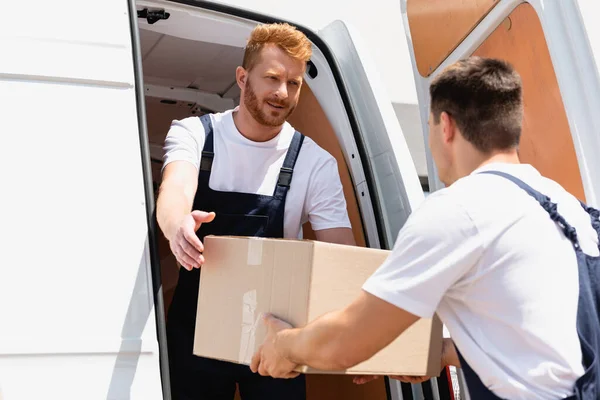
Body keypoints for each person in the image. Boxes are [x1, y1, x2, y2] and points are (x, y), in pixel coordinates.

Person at [249, 56, 600, 399]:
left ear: (445, 126)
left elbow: (346, 343)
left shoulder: (460, 209)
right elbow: (536, 334)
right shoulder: (568, 208)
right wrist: (442, 352)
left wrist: (285, 346)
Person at [156, 22, 355, 400]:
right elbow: (175, 190)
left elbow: (340, 253)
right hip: (194, 333)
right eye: (273, 78)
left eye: (294, 83)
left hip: (277, 339)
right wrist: (177, 226)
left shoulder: (315, 162)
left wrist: (357, 342)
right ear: (243, 78)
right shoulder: (196, 133)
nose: (283, 93)